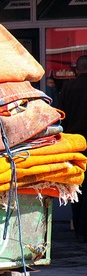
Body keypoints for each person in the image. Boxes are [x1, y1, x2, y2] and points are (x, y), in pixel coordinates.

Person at [58, 55, 87, 243]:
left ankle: (79, 230)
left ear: (77, 69)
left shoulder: (68, 87)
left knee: (78, 185)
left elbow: (61, 118)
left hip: (75, 144)